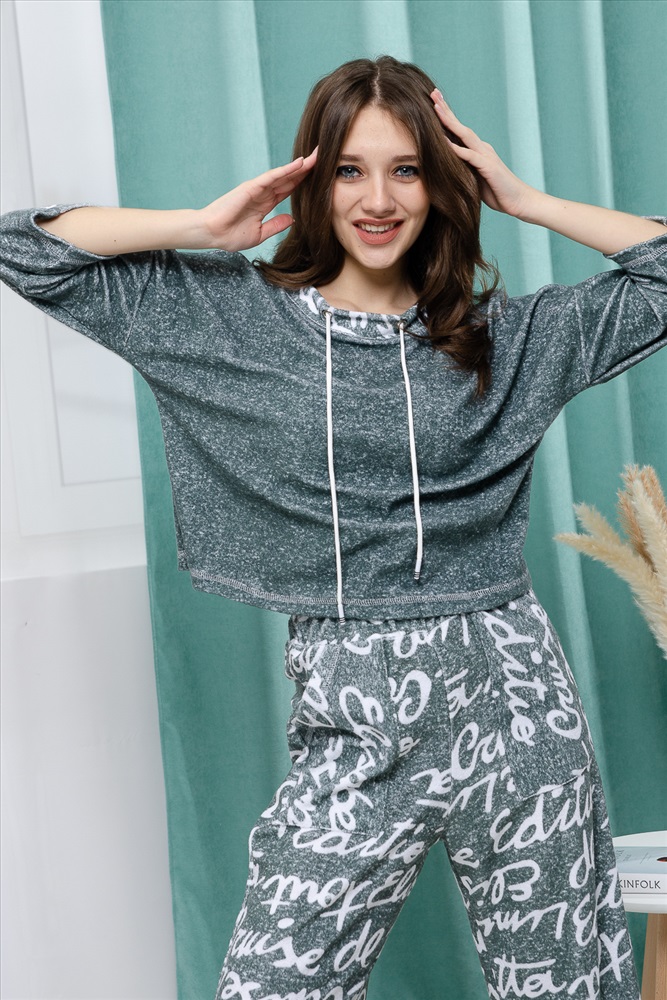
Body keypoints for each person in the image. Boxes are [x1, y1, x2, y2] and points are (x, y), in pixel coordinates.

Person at [1, 55, 665, 1000]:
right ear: (312, 177)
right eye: (351, 169)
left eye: (407, 170)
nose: (378, 200)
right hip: (353, 702)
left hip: (515, 697)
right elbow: (25, 248)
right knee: (274, 980)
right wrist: (200, 227)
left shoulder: (506, 339)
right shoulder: (231, 320)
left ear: (441, 184)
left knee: (567, 985)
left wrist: (526, 200)